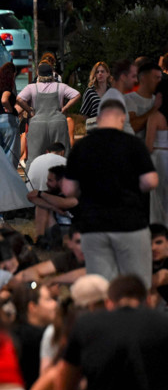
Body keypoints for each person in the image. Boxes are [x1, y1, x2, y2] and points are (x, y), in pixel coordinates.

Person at [61, 90, 158, 287]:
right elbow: (151, 181)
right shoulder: (133, 144)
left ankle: (107, 316)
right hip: (130, 224)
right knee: (136, 283)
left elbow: (68, 189)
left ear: (98, 119)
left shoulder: (82, 147)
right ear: (122, 119)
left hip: (93, 225)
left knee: (102, 284)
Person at [16, 63, 81, 167]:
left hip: (37, 124)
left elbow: (19, 99)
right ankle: (63, 179)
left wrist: (29, 111)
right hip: (58, 123)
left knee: (34, 158)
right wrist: (65, 108)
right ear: (52, 74)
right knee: (61, 156)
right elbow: (76, 95)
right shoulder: (60, 86)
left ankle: (31, 181)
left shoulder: (32, 88)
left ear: (38, 74)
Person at [6, 281, 58, 390]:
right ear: (32, 307)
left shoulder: (8, 335)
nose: (55, 304)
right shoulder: (48, 337)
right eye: (48, 300)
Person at [27, 164, 77, 245]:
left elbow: (62, 203)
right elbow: (30, 197)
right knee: (41, 206)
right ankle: (41, 239)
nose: (47, 183)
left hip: (73, 232)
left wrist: (41, 193)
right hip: (56, 230)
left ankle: (48, 243)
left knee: (43, 203)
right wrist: (54, 208)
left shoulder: (74, 195)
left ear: (60, 182)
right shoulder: (52, 193)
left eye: (50, 180)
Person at [0, 62, 20, 166]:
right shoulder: (8, 87)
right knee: (11, 153)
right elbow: (4, 100)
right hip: (7, 120)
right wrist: (10, 109)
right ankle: (10, 178)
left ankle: (0, 177)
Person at [125, 59, 163, 138]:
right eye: (156, 77)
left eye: (160, 78)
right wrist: (154, 108)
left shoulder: (159, 99)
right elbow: (132, 127)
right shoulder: (129, 98)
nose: (159, 81)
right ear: (143, 78)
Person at [147, 101, 168, 225]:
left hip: (159, 157)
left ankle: (160, 227)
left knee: (158, 197)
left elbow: (149, 146)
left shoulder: (155, 117)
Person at [79, 61, 111, 131]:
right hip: (95, 129)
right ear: (95, 75)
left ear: (107, 74)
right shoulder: (90, 91)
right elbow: (84, 114)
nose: (100, 74)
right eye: (97, 72)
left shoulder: (112, 92)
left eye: (102, 71)